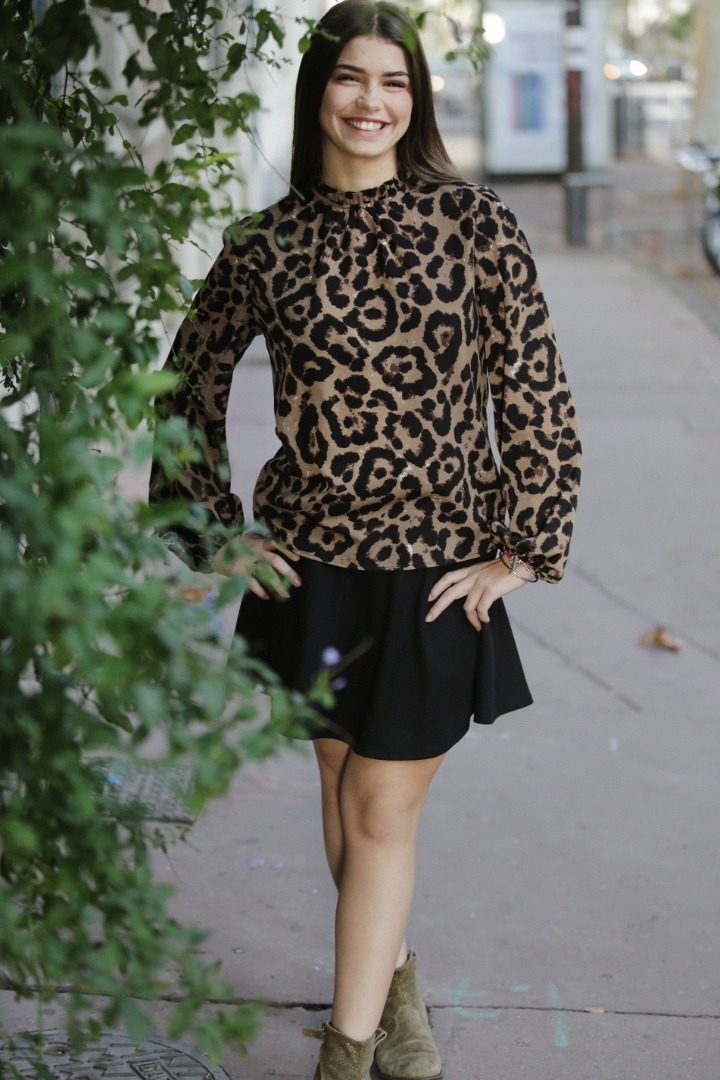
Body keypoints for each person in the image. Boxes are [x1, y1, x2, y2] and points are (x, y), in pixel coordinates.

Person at [149, 2, 581, 1077]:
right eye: (351, 77)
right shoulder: (266, 242)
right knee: (349, 802)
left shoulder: (475, 225)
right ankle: (392, 987)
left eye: (395, 82)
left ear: (416, 99)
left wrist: (523, 546)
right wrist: (215, 530)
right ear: (319, 90)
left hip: (437, 571)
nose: (371, 102)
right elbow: (184, 386)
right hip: (311, 567)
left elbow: (534, 387)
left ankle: (347, 1054)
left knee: (382, 809)